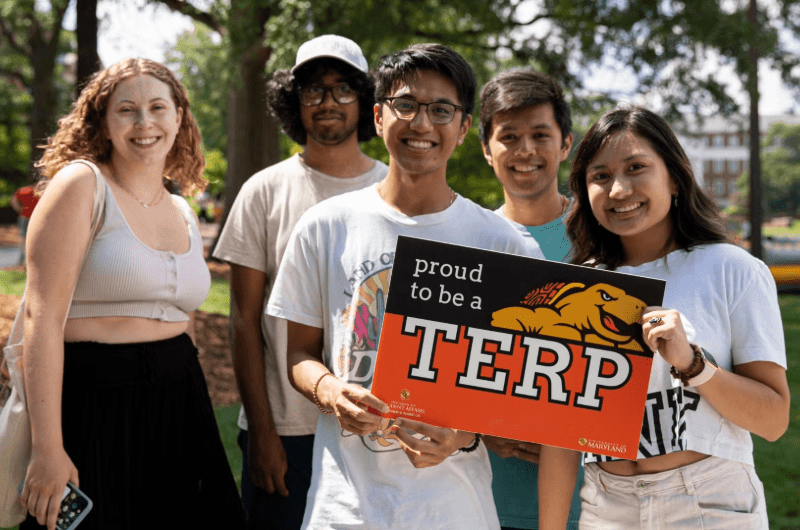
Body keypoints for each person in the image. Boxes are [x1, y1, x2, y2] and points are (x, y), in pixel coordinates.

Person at [266, 43, 544, 529]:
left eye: (441, 110)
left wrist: (461, 433)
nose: (421, 124)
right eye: (406, 105)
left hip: (455, 508)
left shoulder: (503, 244)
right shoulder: (325, 225)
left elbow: (523, 386)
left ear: (462, 129)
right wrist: (330, 390)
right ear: (377, 116)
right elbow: (298, 355)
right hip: (344, 507)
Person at [19, 58, 245, 530]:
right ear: (103, 120)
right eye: (127, 110)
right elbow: (42, 319)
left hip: (180, 396)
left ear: (179, 116)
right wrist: (48, 447)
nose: (145, 123)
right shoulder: (82, 185)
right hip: (94, 399)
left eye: (158, 107)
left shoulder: (183, 209)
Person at [565, 106, 790, 529]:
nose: (618, 189)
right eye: (600, 176)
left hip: (707, 503)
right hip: (604, 507)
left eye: (636, 168)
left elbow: (774, 420)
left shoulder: (732, 269)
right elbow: (563, 435)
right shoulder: (577, 288)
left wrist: (693, 364)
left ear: (674, 176)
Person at [213, 34, 388, 528]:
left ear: (366, 100)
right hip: (286, 428)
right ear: (294, 101)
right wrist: (263, 430)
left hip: (373, 422)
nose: (327, 102)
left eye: (343, 89)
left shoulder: (394, 189)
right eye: (313, 90)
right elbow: (245, 320)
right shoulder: (263, 191)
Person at [478, 68, 582, 530]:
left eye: (541, 135)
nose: (525, 151)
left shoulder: (608, 238)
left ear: (565, 145)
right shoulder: (467, 241)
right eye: (508, 136)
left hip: (600, 503)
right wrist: (481, 428)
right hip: (490, 501)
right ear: (486, 149)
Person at [10, 185, 40, 264]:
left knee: (23, 237)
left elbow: (13, 201)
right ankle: (33, 258)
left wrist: (20, 210)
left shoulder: (22, 190)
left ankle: (22, 258)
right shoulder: (40, 191)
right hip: (36, 217)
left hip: (23, 216)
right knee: (36, 237)